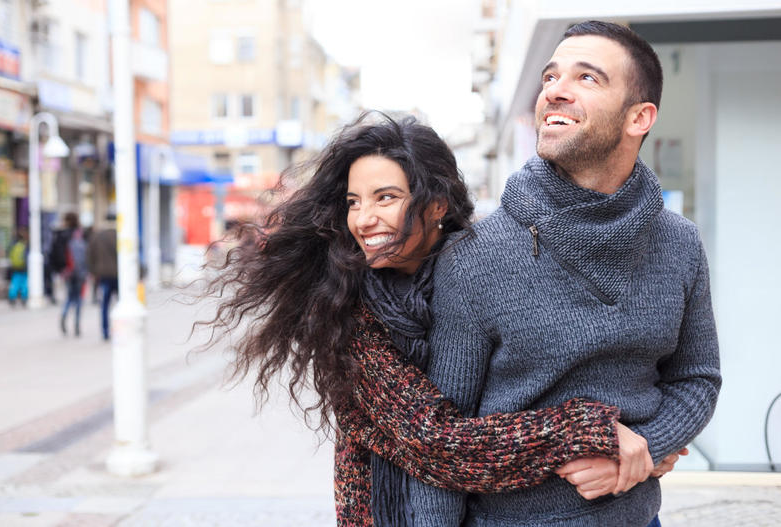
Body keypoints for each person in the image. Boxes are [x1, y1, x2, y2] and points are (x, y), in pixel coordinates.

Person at [202, 111, 682, 526]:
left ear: (436, 206)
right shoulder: (352, 314)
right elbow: (439, 443)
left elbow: (555, 374)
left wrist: (647, 443)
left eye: (384, 197)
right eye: (353, 202)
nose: (363, 218)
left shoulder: (486, 273)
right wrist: (586, 431)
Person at [407, 21, 721, 526]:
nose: (555, 90)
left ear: (639, 117)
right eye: (551, 76)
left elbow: (697, 378)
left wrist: (637, 451)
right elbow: (442, 445)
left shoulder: (679, 243)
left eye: (587, 78)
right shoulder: (477, 256)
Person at [88, 216, 118, 340]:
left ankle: (105, 331)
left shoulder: (97, 236)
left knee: (104, 304)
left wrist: (94, 272)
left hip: (103, 276)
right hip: (118, 276)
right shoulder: (120, 235)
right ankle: (120, 328)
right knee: (121, 302)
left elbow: (90, 255)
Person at [60, 213, 88, 337]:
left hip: (68, 272)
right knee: (79, 299)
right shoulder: (79, 235)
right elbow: (84, 255)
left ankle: (64, 315)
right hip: (80, 272)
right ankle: (76, 324)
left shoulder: (63, 234)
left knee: (70, 297)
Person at [7, 229, 28, 307]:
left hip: (15, 267)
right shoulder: (24, 246)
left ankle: (12, 297)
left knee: (15, 283)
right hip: (24, 268)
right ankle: (24, 298)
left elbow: (10, 256)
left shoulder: (13, 245)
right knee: (24, 283)